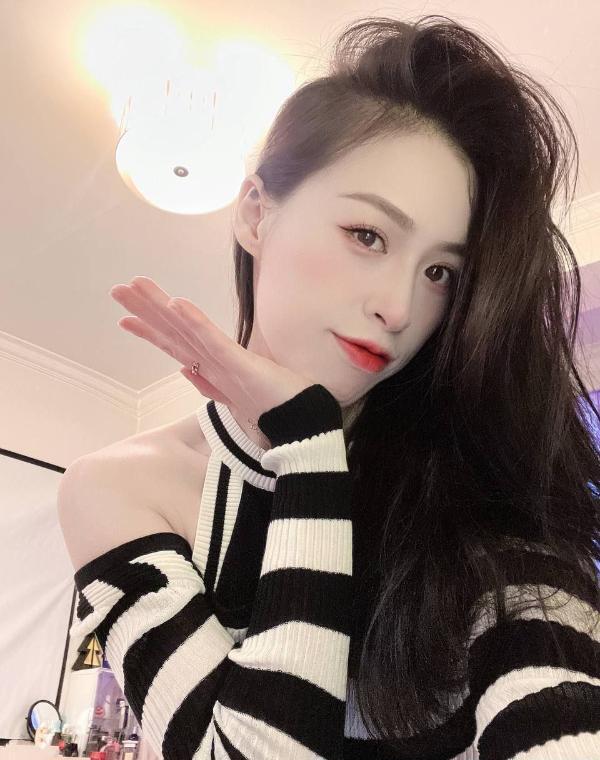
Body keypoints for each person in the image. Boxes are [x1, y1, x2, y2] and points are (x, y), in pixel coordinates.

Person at [59, 13, 600, 760]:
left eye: (440, 272)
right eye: (368, 235)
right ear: (256, 213)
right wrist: (308, 450)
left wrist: (306, 439)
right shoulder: (118, 487)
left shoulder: (468, 484)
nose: (400, 308)